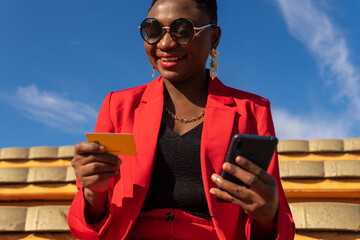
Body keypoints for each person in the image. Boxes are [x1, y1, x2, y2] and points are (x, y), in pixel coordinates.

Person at [67, 0, 295, 239]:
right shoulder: (118, 106)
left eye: (183, 31)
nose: (165, 43)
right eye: (153, 31)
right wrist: (92, 193)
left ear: (214, 37)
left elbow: (272, 224)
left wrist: (269, 215)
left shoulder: (252, 110)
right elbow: (88, 228)